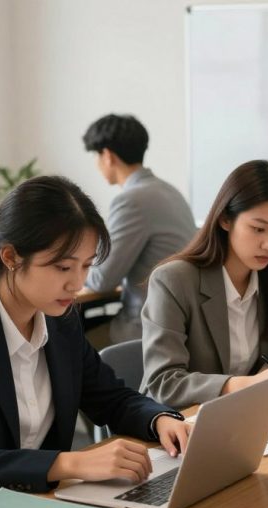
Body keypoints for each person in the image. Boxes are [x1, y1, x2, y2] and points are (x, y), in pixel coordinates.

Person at [0, 175, 191, 508]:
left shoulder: (60, 321)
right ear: (10, 257)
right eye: (63, 266)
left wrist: (160, 420)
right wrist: (68, 463)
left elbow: (111, 399)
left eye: (86, 266)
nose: (77, 283)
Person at [141, 160, 268, 409]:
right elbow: (163, 382)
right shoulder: (174, 280)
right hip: (181, 425)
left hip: (243, 415)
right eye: (259, 229)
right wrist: (243, 385)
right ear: (226, 220)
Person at [81, 114, 197, 345]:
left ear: (107, 156)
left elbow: (102, 279)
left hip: (145, 332)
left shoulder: (132, 200)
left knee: (65, 347)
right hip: (181, 326)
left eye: (96, 156)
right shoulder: (170, 192)